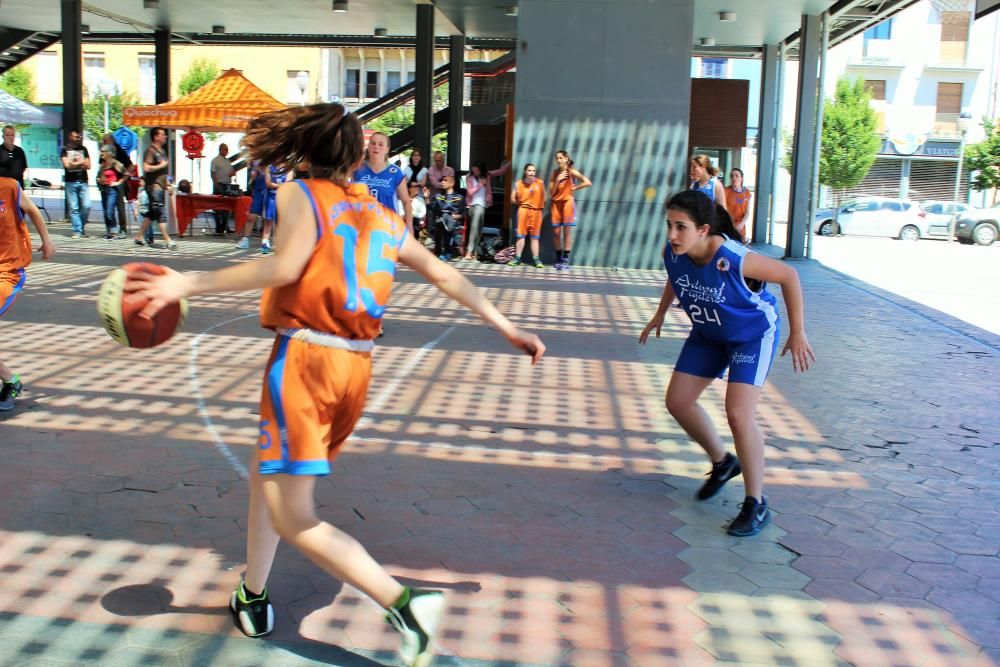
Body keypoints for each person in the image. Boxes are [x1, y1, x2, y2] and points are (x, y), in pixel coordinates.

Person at [124, 101, 545, 667]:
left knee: (296, 516)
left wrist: (185, 284)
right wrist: (508, 326)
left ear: (306, 149)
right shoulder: (380, 214)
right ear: (351, 156)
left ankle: (404, 603)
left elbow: (283, 267)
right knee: (266, 473)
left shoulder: (299, 195)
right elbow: (445, 273)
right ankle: (252, 590)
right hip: (356, 369)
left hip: (306, 361)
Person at [639, 190, 815, 537]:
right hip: (708, 334)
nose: (672, 234)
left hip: (751, 335)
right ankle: (722, 463)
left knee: (738, 414)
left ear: (703, 229)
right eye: (669, 225)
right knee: (677, 402)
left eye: (681, 227)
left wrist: (798, 332)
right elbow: (676, 278)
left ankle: (756, 503)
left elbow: (789, 276)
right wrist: (660, 313)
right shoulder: (672, 253)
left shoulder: (733, 257)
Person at [0, 175, 55, 411]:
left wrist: (47, 241)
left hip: (8, 272)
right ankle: (11, 382)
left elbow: (32, 210)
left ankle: (11, 382)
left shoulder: (9, 187)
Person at [354, 131, 412, 235]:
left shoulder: (395, 172)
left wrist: (409, 227)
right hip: (362, 228)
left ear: (387, 149)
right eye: (373, 143)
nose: (376, 147)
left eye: (380, 144)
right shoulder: (357, 169)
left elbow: (406, 201)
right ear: (369, 146)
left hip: (388, 229)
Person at [133, 127, 177, 250]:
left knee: (152, 213)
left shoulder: (162, 151)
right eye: (162, 135)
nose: (165, 137)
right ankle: (168, 240)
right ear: (156, 137)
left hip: (161, 185)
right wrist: (160, 165)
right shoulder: (151, 150)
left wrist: (168, 184)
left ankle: (139, 236)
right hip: (154, 186)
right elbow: (146, 168)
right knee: (160, 211)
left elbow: (164, 171)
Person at [548, 150, 592, 270]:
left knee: (567, 232)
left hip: (567, 203)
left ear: (567, 158)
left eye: (561, 158)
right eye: (557, 158)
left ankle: (566, 259)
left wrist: (575, 188)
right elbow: (551, 193)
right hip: (556, 204)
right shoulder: (555, 173)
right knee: (556, 233)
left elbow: (588, 182)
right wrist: (557, 180)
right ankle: (558, 258)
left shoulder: (572, 171)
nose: (558, 160)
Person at [464, 160, 510, 261]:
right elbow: (470, 192)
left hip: (482, 204)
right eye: (473, 169)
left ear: (481, 170)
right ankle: (469, 251)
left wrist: (510, 162)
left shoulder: (487, 175)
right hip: (473, 205)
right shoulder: (469, 177)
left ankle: (474, 251)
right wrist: (480, 185)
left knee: (478, 228)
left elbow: (500, 171)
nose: (474, 171)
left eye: (476, 170)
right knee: (474, 228)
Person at [509, 164, 546, 268]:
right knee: (520, 236)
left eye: (533, 170)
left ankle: (536, 259)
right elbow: (512, 198)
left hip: (537, 212)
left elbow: (545, 198)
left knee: (535, 237)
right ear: (525, 171)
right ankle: (517, 258)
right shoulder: (518, 184)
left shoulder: (540, 183)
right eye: (529, 170)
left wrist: (536, 205)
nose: (531, 172)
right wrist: (522, 203)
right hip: (523, 211)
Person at [60, 129, 91, 239]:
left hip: (83, 181)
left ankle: (81, 227)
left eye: (79, 137)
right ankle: (77, 230)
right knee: (74, 207)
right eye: (76, 137)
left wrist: (74, 163)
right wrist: (81, 163)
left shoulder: (83, 149)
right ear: (70, 137)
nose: (78, 138)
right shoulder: (65, 150)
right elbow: (67, 165)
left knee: (87, 205)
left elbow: (88, 165)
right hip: (70, 182)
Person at [429, 174, 466, 260]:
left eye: (445, 180)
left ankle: (448, 251)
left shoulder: (459, 198)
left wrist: (458, 216)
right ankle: (442, 251)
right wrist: (427, 198)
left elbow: (464, 213)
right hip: (441, 221)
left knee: (446, 221)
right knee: (440, 221)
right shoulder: (438, 197)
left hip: (453, 221)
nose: (442, 182)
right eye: (441, 180)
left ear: (452, 183)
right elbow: (431, 209)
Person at [259, 164, 294, 254]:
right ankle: (265, 243)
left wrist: (276, 185)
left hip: (283, 197)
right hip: (270, 197)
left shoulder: (289, 168)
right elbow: (268, 183)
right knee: (268, 220)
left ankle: (280, 244)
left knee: (281, 222)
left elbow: (288, 183)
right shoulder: (269, 168)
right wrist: (280, 185)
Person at [237, 161, 268, 250]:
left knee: (266, 218)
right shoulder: (253, 160)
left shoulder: (270, 157)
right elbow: (252, 178)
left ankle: (265, 242)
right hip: (258, 189)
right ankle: (245, 240)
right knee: (252, 216)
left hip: (268, 190)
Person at [97, 147, 125, 240]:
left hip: (112, 190)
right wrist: (99, 180)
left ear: (109, 153)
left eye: (103, 152)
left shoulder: (114, 162)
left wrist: (118, 182)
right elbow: (99, 175)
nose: (101, 154)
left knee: (110, 211)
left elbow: (126, 173)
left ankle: (114, 232)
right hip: (103, 189)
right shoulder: (103, 163)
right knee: (106, 212)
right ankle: (109, 232)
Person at [211, 143, 237, 235]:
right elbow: (213, 173)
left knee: (227, 207)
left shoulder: (228, 161)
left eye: (227, 149)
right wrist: (216, 183)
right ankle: (219, 228)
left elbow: (230, 172)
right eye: (225, 149)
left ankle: (226, 226)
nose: (227, 151)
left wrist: (232, 173)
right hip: (219, 185)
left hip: (227, 185)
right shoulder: (215, 160)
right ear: (221, 149)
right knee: (218, 208)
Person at [725, 167, 753, 242]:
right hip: (728, 226)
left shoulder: (747, 193)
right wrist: (732, 225)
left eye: (736, 175)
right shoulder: (725, 191)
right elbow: (723, 211)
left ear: (742, 178)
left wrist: (741, 224)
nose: (734, 178)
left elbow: (747, 213)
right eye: (732, 176)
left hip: (740, 227)